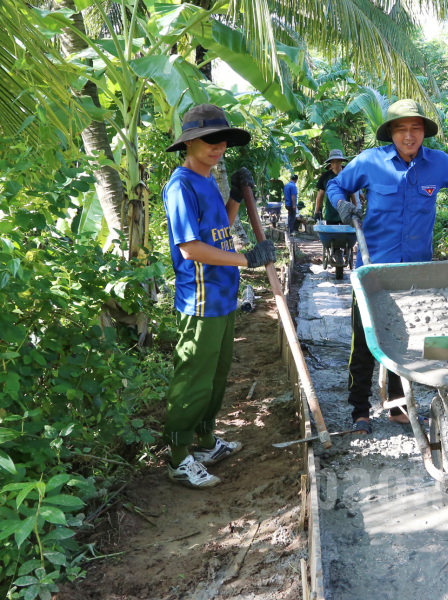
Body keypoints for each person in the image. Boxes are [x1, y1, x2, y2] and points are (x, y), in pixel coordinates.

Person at [327, 99, 448, 435]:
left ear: (423, 132)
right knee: (365, 339)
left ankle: (398, 407)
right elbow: (336, 185)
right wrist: (342, 204)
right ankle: (359, 410)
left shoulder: (437, 164)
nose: (409, 135)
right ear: (392, 133)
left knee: (405, 338)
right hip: (372, 269)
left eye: (415, 128)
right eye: (401, 129)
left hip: (414, 272)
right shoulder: (371, 161)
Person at [161, 104, 277, 488]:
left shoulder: (208, 181)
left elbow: (219, 230)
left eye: (222, 140)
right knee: (193, 378)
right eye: (209, 140)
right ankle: (179, 457)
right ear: (189, 142)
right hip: (200, 301)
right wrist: (248, 259)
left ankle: (207, 442)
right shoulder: (180, 186)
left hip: (223, 297)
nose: (218, 147)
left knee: (216, 376)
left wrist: (235, 198)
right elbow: (191, 249)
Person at [312, 149, 356, 223]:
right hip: (330, 214)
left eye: (338, 162)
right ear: (330, 163)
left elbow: (352, 194)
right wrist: (316, 212)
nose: (335, 164)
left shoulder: (347, 176)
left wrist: (355, 211)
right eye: (333, 162)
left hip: (346, 214)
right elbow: (320, 195)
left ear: (341, 161)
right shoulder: (325, 177)